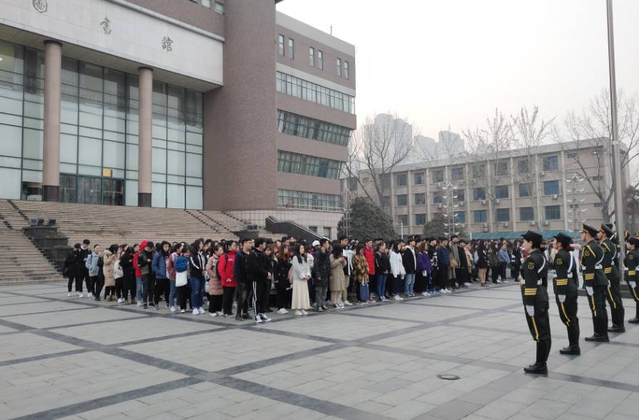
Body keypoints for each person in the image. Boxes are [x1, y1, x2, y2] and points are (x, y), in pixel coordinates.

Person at [521, 230, 551, 374]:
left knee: (539, 332)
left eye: (525, 241)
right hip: (541, 295)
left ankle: (540, 364)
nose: (523, 243)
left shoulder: (531, 260)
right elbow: (543, 281)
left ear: (531, 243)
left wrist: (529, 304)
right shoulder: (541, 256)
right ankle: (542, 362)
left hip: (534, 298)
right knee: (544, 330)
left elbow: (531, 284)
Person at [553, 232, 581, 355]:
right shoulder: (569, 254)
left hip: (565, 289)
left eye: (555, 241)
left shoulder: (560, 255)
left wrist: (561, 293)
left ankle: (574, 346)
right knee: (572, 317)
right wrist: (574, 285)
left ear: (560, 244)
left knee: (568, 318)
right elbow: (574, 273)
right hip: (571, 287)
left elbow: (561, 276)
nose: (553, 243)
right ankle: (574, 345)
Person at [581, 224, 609, 342]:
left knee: (596, 308)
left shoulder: (589, 248)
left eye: (582, 233)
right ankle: (603, 333)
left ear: (587, 234)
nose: (581, 235)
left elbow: (590, 267)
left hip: (594, 281)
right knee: (601, 307)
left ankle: (599, 334)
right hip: (600, 279)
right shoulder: (597, 246)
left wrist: (588, 284)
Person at [599, 224, 625, 333]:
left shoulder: (605, 245)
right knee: (616, 299)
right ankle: (618, 324)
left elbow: (606, 263)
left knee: (613, 300)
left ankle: (618, 324)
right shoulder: (610, 243)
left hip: (609, 275)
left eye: (600, 232)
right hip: (613, 273)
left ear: (604, 233)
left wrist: (606, 277)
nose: (598, 233)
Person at [247, 238, 272, 323]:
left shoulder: (264, 254)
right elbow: (255, 267)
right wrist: (266, 273)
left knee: (264, 297)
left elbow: (269, 265)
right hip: (257, 279)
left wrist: (269, 272)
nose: (265, 245)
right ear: (260, 244)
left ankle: (262, 312)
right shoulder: (253, 254)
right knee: (256, 297)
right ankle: (256, 314)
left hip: (265, 279)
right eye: (264, 243)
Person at [291, 243, 311, 315]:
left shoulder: (305, 257)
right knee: (298, 294)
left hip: (304, 279)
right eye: (301, 248)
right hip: (298, 279)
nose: (302, 250)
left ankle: (303, 308)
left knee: (303, 294)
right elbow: (297, 268)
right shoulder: (295, 257)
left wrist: (308, 275)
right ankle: (297, 309)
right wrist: (302, 276)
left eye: (303, 248)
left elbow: (307, 267)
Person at [235, 238, 252, 321]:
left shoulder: (251, 253)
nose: (250, 244)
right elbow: (237, 269)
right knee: (242, 298)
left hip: (250, 279)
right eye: (249, 242)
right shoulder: (239, 255)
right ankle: (238, 314)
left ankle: (245, 313)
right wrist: (240, 280)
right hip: (242, 280)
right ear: (244, 244)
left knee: (247, 298)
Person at [219, 241, 238, 317]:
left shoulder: (237, 255)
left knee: (231, 297)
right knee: (227, 296)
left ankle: (230, 311)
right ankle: (225, 311)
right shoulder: (224, 256)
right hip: (227, 281)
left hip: (234, 280)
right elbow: (221, 269)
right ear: (229, 246)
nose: (235, 246)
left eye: (235, 245)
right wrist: (225, 278)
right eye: (233, 245)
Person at [189, 239, 207, 315]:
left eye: (202, 243)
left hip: (202, 275)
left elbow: (205, 262)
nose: (201, 245)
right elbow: (193, 264)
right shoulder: (192, 255)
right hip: (195, 275)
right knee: (195, 291)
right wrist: (201, 270)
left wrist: (205, 269)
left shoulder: (203, 254)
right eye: (200, 244)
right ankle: (194, 307)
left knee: (201, 291)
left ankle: (200, 306)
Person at [152, 241, 171, 310]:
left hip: (167, 276)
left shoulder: (169, 254)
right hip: (160, 276)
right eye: (165, 247)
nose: (166, 248)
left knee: (167, 290)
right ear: (162, 247)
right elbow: (154, 265)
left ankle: (168, 302)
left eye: (167, 246)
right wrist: (159, 272)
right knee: (158, 291)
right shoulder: (158, 254)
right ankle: (156, 303)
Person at [206, 244, 224, 317]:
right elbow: (208, 268)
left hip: (221, 279)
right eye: (220, 250)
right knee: (213, 296)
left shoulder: (222, 258)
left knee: (220, 296)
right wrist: (214, 275)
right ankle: (212, 310)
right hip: (214, 280)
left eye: (222, 250)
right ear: (215, 251)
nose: (221, 251)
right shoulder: (211, 259)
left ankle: (218, 309)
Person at [313, 238, 331, 312]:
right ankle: (318, 305)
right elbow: (316, 264)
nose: (328, 245)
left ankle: (323, 304)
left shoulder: (326, 252)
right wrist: (318, 274)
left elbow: (328, 263)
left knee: (324, 290)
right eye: (327, 243)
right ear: (323, 244)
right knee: (319, 290)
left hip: (326, 273)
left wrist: (330, 272)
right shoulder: (318, 253)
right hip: (320, 273)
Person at [624, 237, 639, 323]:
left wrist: (631, 280)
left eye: (628, 243)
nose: (627, 244)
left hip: (634, 278)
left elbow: (631, 268)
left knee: (637, 297)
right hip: (637, 276)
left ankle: (638, 317)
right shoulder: (637, 252)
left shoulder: (631, 254)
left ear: (633, 245)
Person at [274, 245, 292, 314]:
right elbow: (275, 270)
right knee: (280, 293)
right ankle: (279, 307)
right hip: (280, 277)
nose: (287, 250)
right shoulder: (277, 258)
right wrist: (276, 279)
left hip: (285, 277)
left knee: (284, 293)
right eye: (285, 249)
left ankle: (282, 306)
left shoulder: (287, 258)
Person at [138, 241, 155, 309]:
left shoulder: (154, 253)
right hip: (145, 272)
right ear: (146, 247)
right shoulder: (141, 253)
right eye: (149, 248)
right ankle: (144, 302)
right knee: (145, 287)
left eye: (151, 248)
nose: (150, 249)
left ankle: (151, 301)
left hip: (152, 272)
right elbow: (139, 264)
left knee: (152, 288)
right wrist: (146, 261)